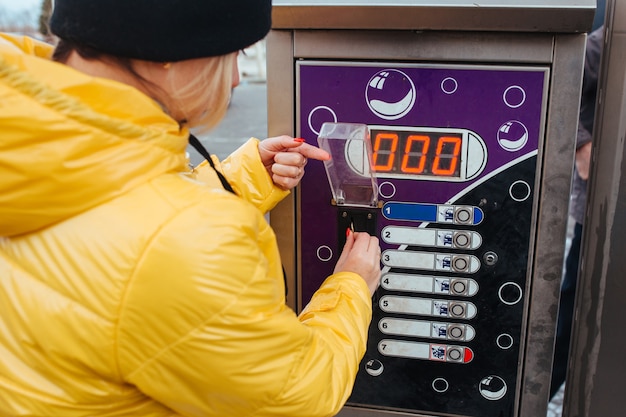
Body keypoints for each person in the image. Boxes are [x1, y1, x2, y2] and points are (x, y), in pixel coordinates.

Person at [0, 1, 382, 416]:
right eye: (232, 55)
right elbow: (297, 396)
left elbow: (109, 212)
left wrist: (245, 178)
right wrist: (350, 287)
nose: (235, 79)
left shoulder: (26, 135)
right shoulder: (189, 242)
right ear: (170, 58)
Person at [549, 24, 604, 399]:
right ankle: (536, 397)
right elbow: (564, 78)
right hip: (600, 214)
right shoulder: (610, 40)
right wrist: (583, 145)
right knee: (573, 309)